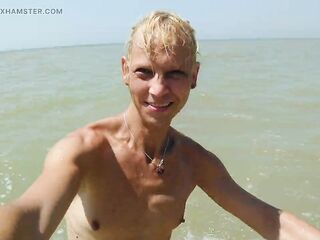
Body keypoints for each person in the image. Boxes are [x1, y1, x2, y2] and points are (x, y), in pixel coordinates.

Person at [0, 11, 320, 240]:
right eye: (144, 72)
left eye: (174, 74)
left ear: (194, 76)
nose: (158, 89)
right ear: (125, 71)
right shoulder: (83, 151)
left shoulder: (195, 162)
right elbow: (29, 216)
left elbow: (269, 220)